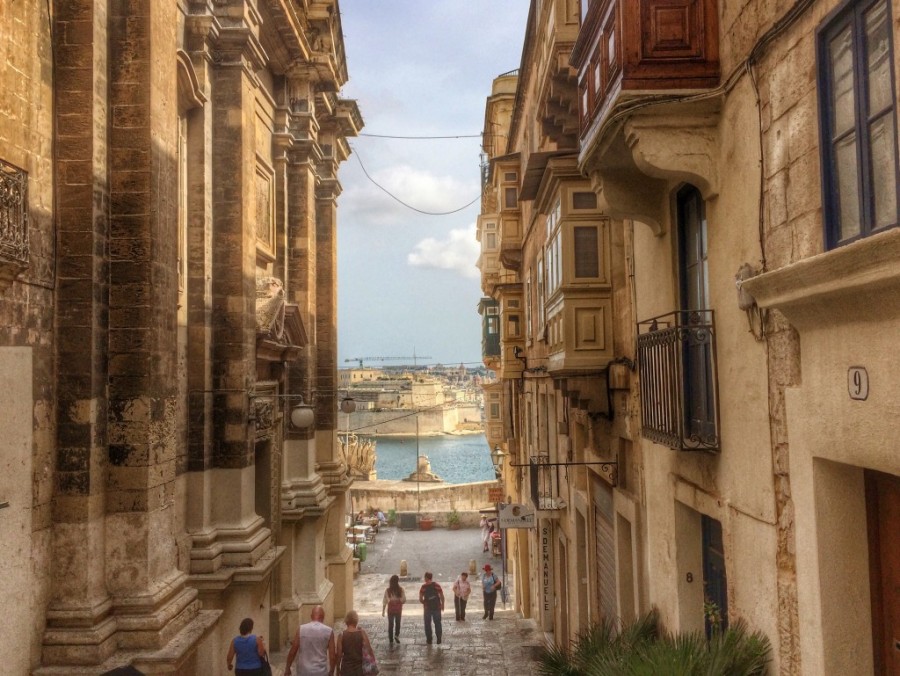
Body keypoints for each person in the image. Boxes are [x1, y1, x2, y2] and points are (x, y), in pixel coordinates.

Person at [284, 605, 335, 676]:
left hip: (303, 671)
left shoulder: (301, 629)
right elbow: (332, 656)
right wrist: (331, 671)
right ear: (323, 617)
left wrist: (287, 668)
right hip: (320, 672)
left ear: (311, 616)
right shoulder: (329, 631)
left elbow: (293, 651)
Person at [336, 610, 373, 676]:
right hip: (359, 669)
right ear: (356, 621)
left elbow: (339, 655)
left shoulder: (341, 635)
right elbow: (369, 650)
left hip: (346, 669)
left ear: (346, 621)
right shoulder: (362, 633)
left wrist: (338, 668)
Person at [418, 571, 444, 644]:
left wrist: (425, 603)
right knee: (438, 623)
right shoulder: (437, 585)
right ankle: (439, 638)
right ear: (431, 577)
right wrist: (442, 604)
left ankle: (429, 639)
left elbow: (420, 598)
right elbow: (441, 596)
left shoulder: (423, 587)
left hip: (427, 608)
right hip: (437, 607)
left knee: (427, 624)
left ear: (426, 578)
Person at [381, 574, 406, 644]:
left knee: (391, 624)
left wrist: (383, 611)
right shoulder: (400, 590)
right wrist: (398, 601)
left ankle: (391, 639)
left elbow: (384, 601)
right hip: (398, 609)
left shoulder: (388, 590)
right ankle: (397, 635)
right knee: (398, 623)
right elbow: (404, 600)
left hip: (390, 610)